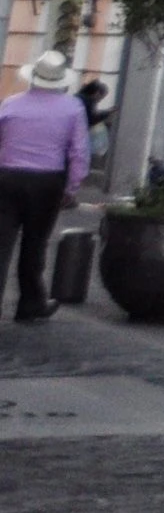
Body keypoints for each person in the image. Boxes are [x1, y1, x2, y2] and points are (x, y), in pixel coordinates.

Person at [0, 53, 90, 322]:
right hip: (47, 182)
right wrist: (71, 188)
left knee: (1, 243)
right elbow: (79, 152)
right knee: (35, 244)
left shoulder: (11, 104)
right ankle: (31, 303)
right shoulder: (73, 108)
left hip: (7, 177)